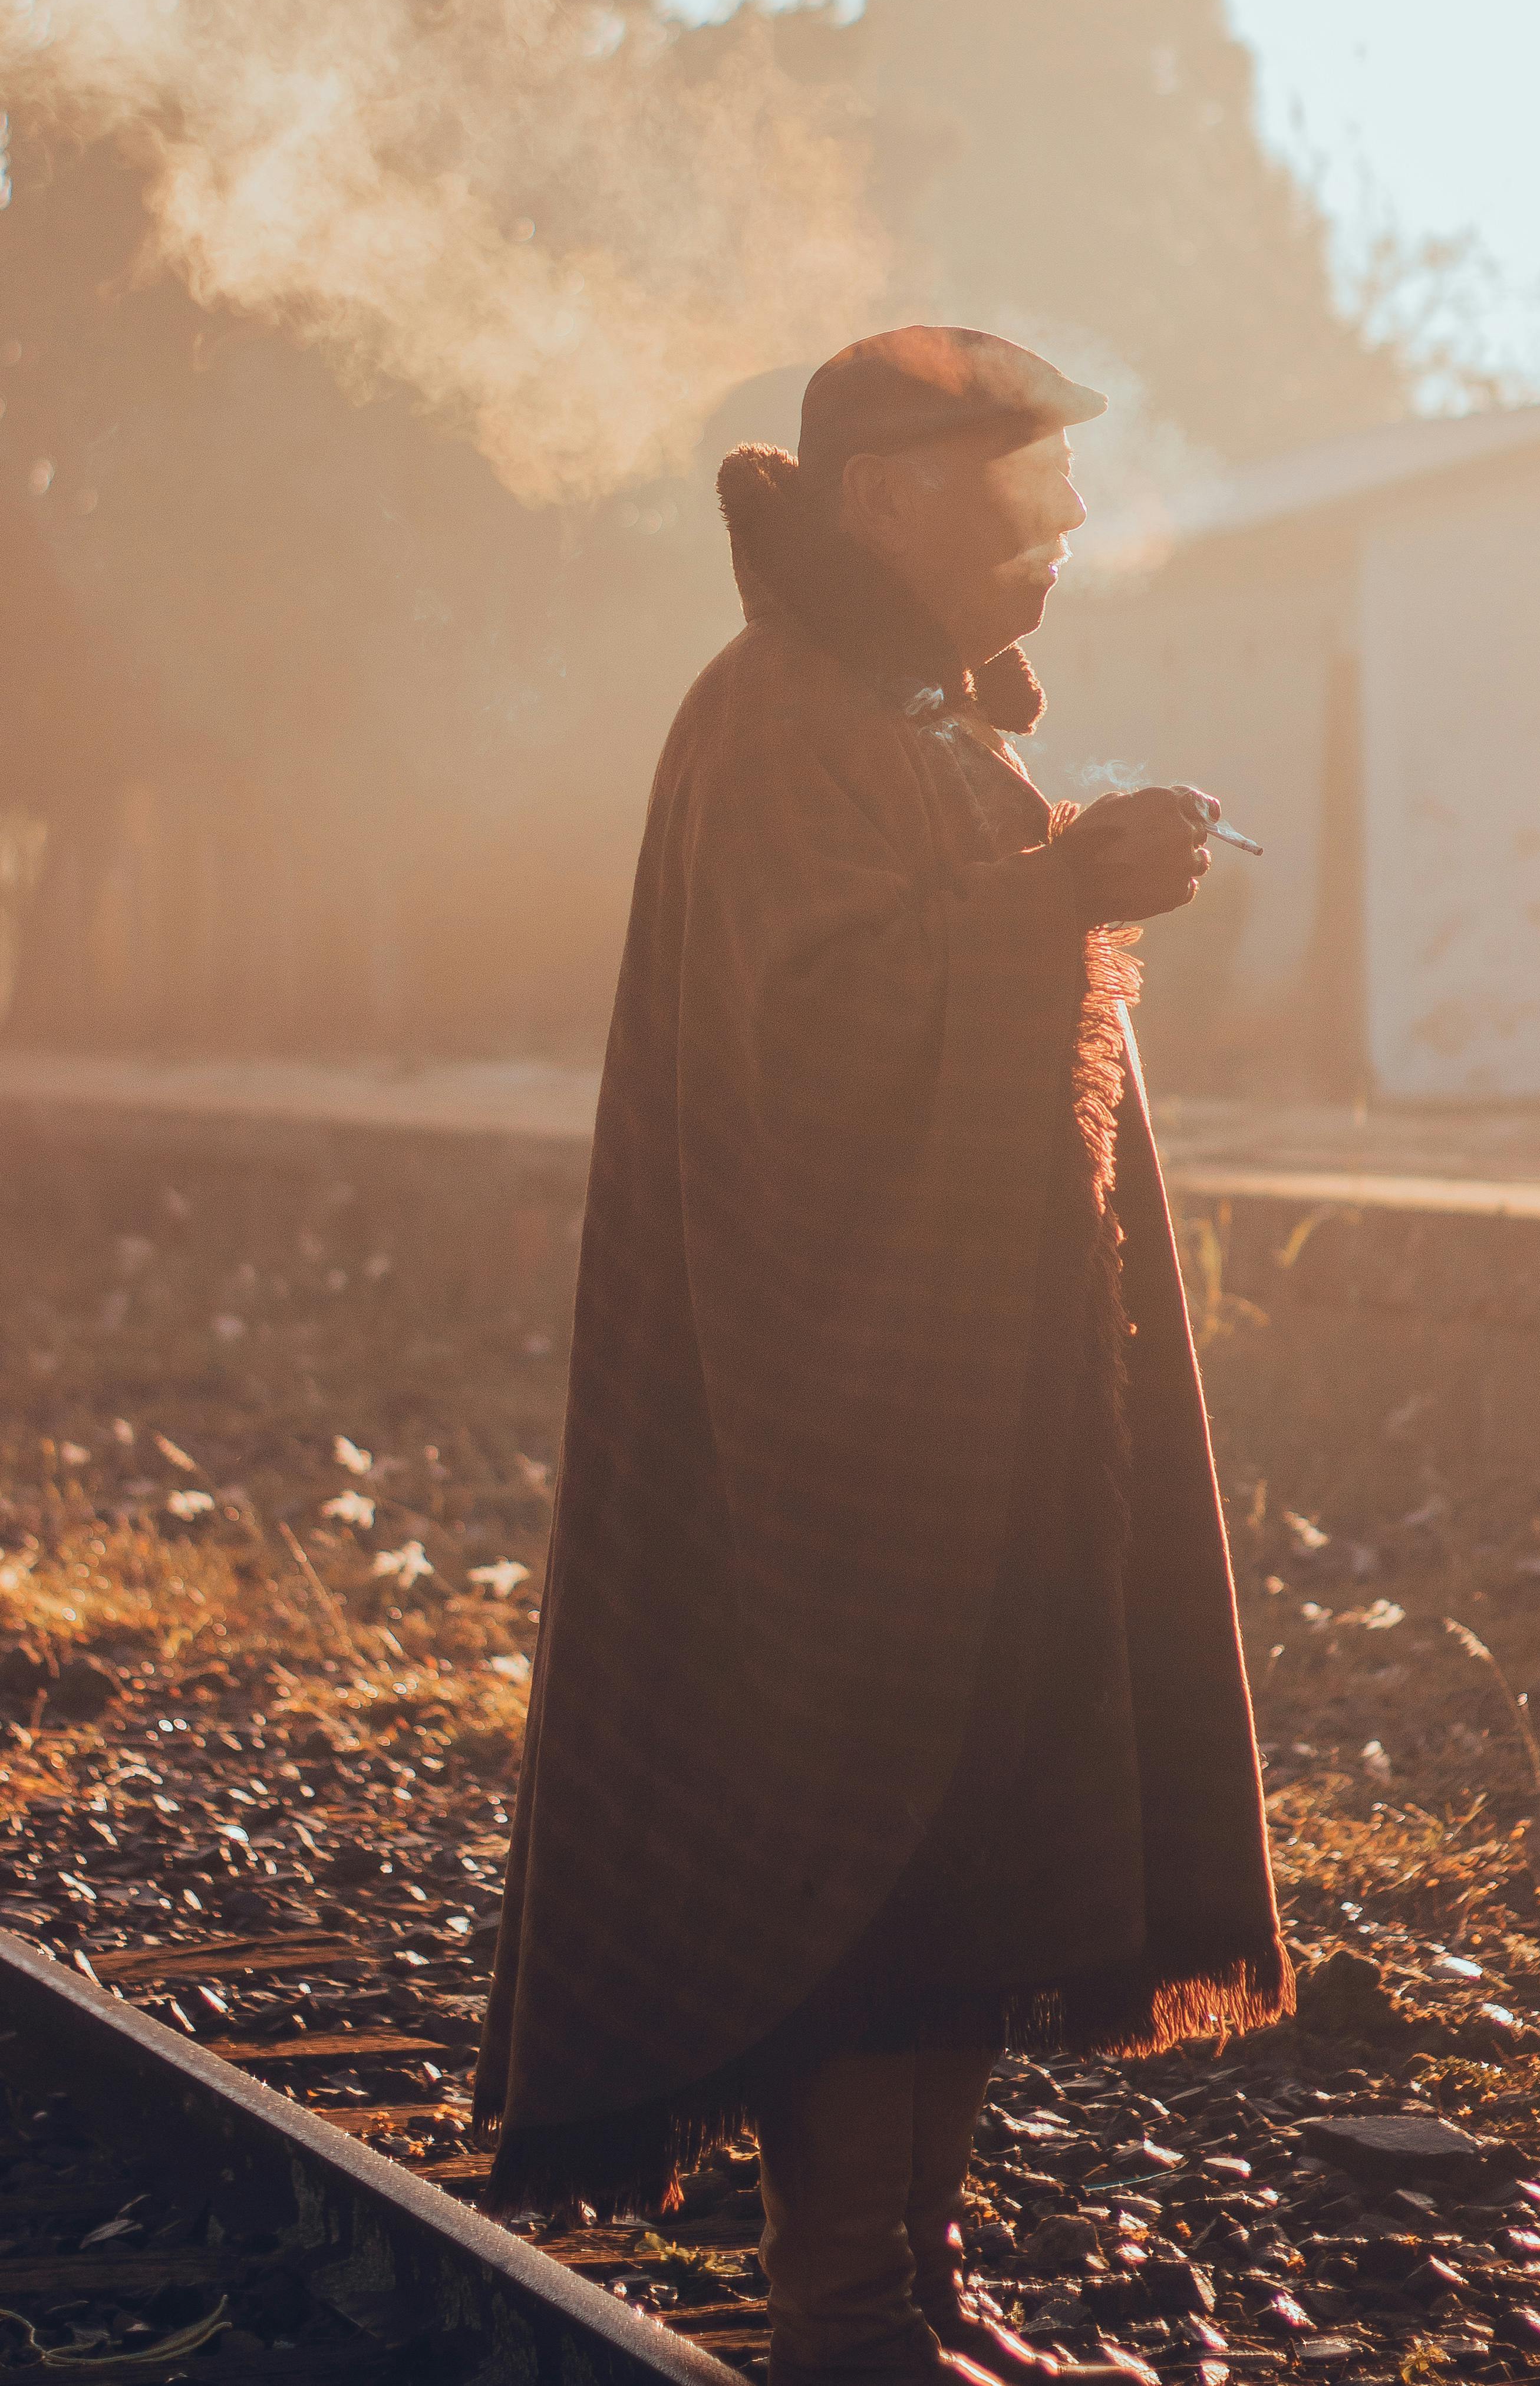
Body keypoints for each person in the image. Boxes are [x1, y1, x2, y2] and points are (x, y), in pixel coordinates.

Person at [474, 326, 1291, 2386]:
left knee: (978, 1825)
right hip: (818, 1411)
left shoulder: (925, 719)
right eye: (1019, 488)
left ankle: (917, 2292)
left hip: (978, 1389)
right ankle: (841, 2313)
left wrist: (1070, 876)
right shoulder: (768, 718)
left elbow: (968, 972)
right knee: (863, 1829)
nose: (1063, 530)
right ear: (885, 497)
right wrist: (1061, 895)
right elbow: (809, 1036)